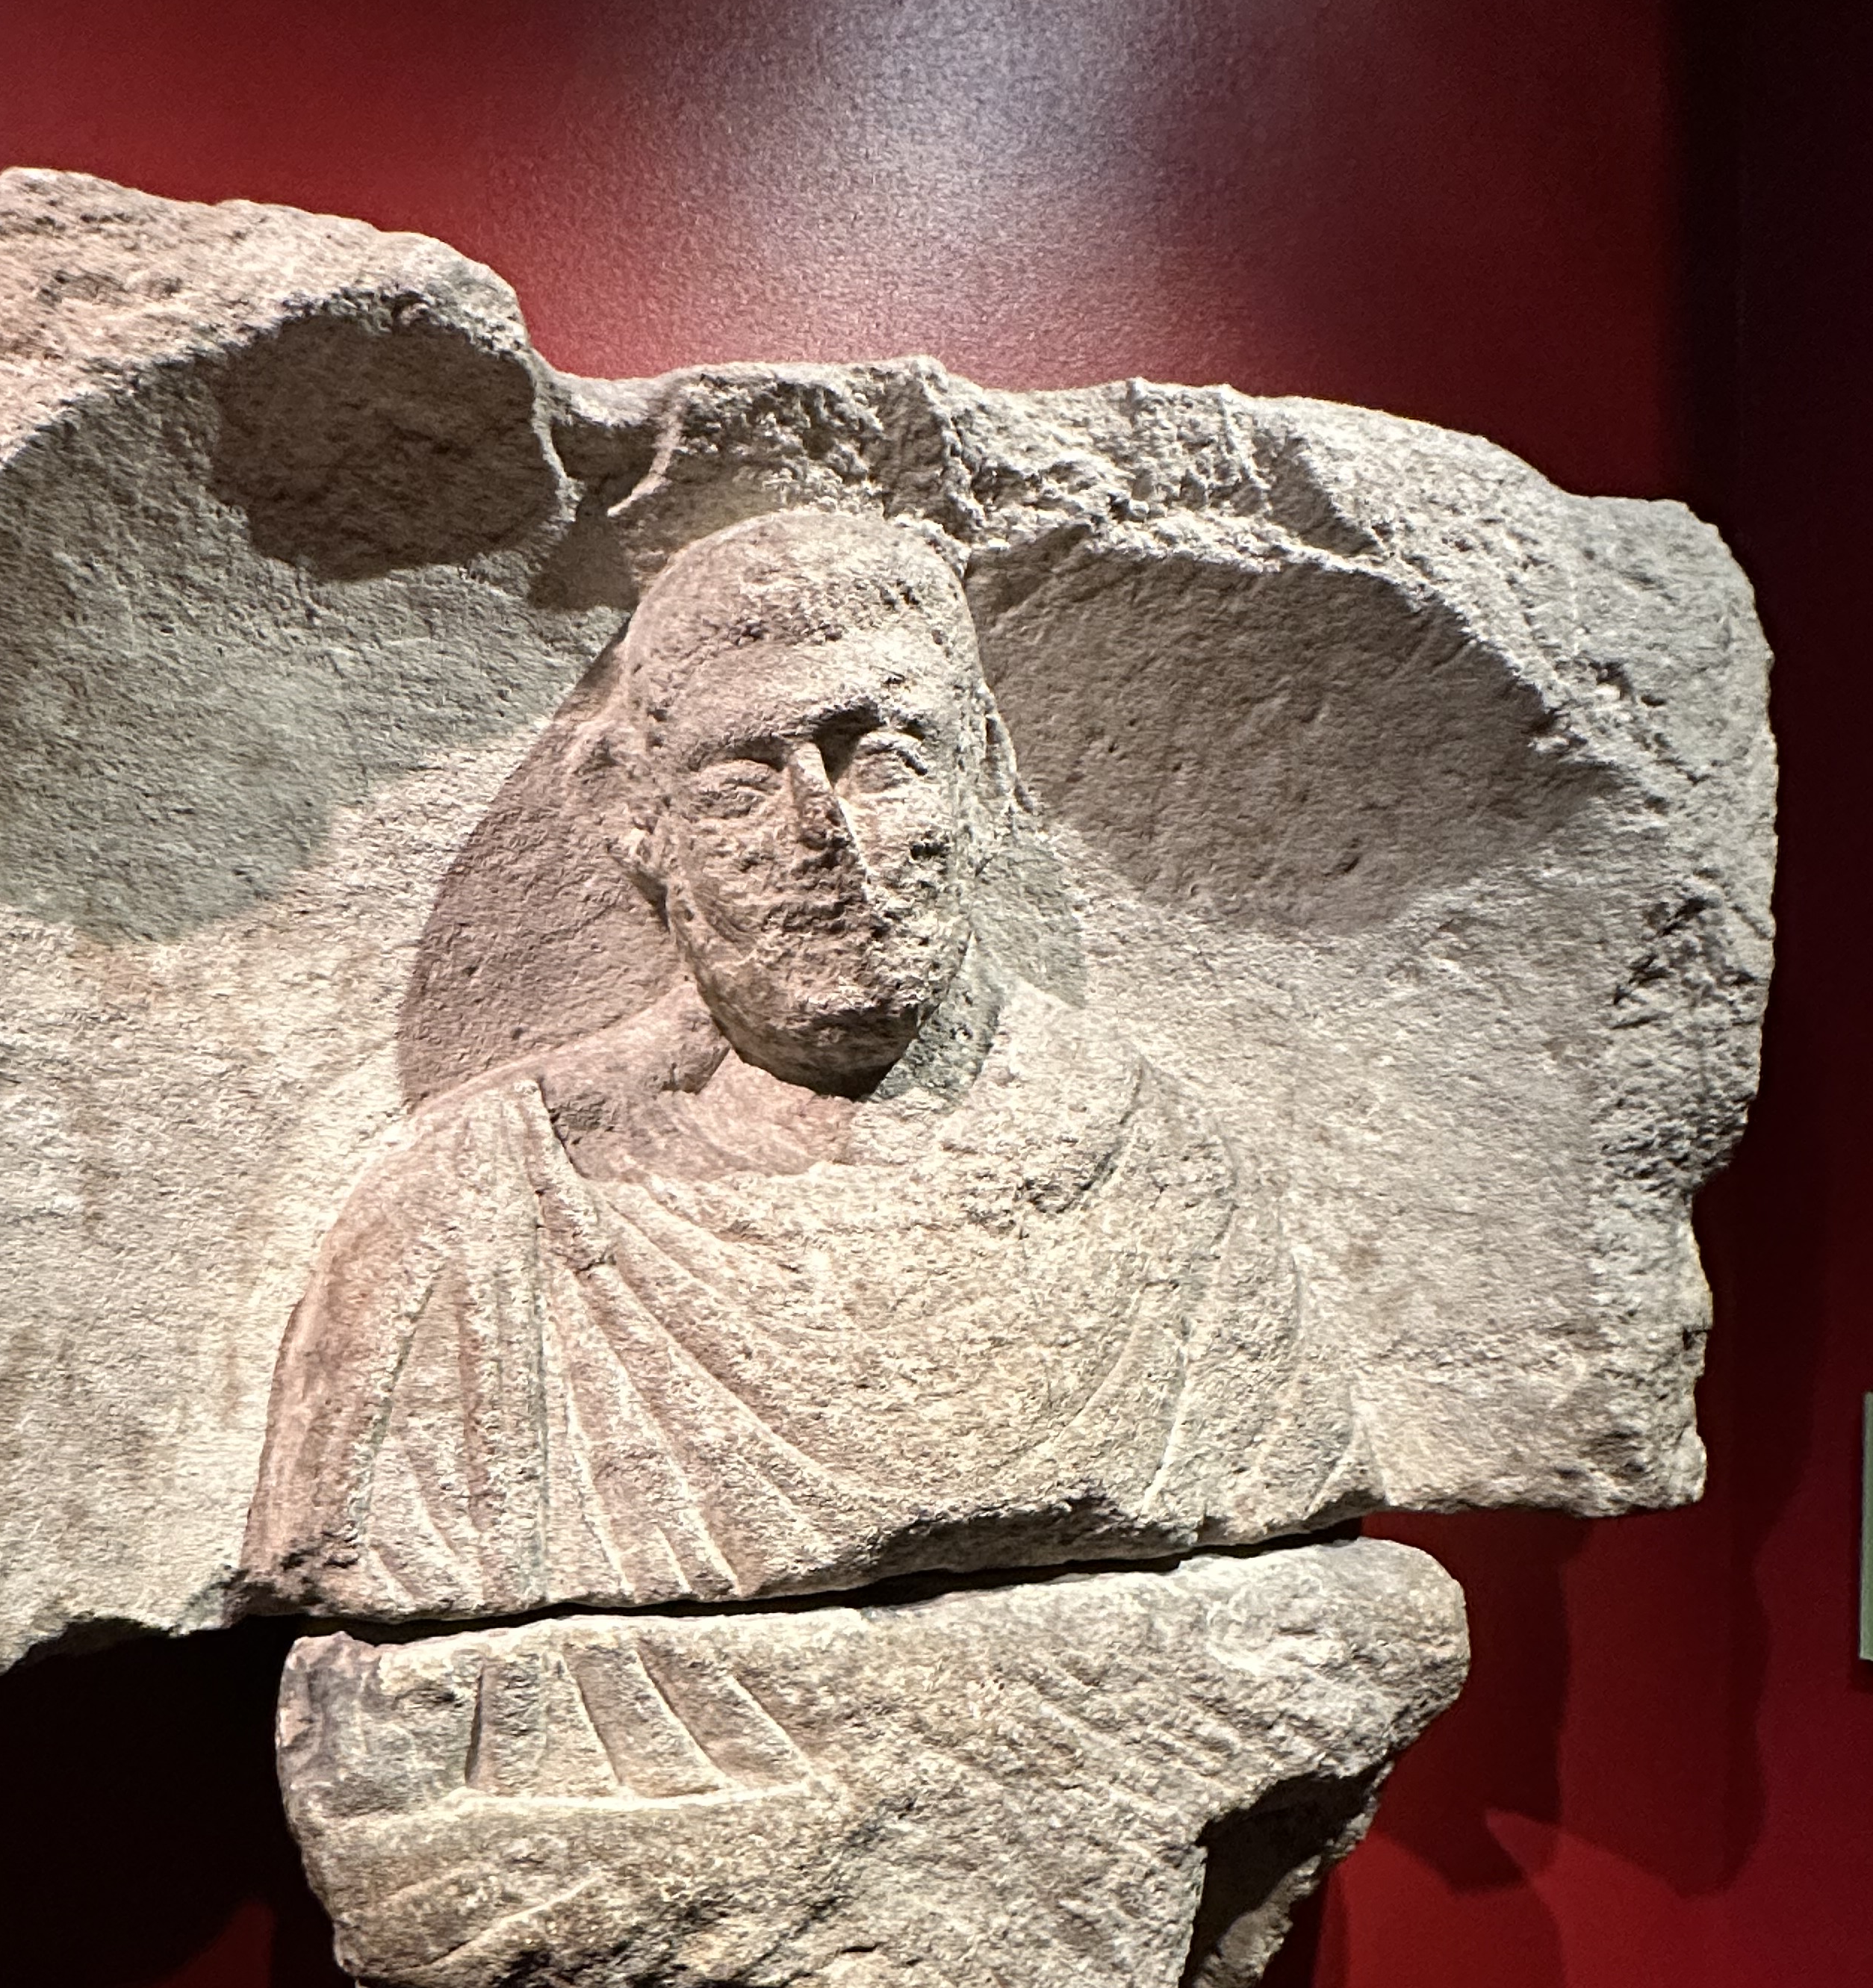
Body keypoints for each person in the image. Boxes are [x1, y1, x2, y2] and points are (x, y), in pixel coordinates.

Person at [245, 506, 1370, 1624]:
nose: (824, 835)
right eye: (740, 787)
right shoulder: (482, 1204)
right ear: (636, 816)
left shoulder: (1164, 1173)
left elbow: (1309, 1633)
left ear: (984, 774)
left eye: (884, 761)